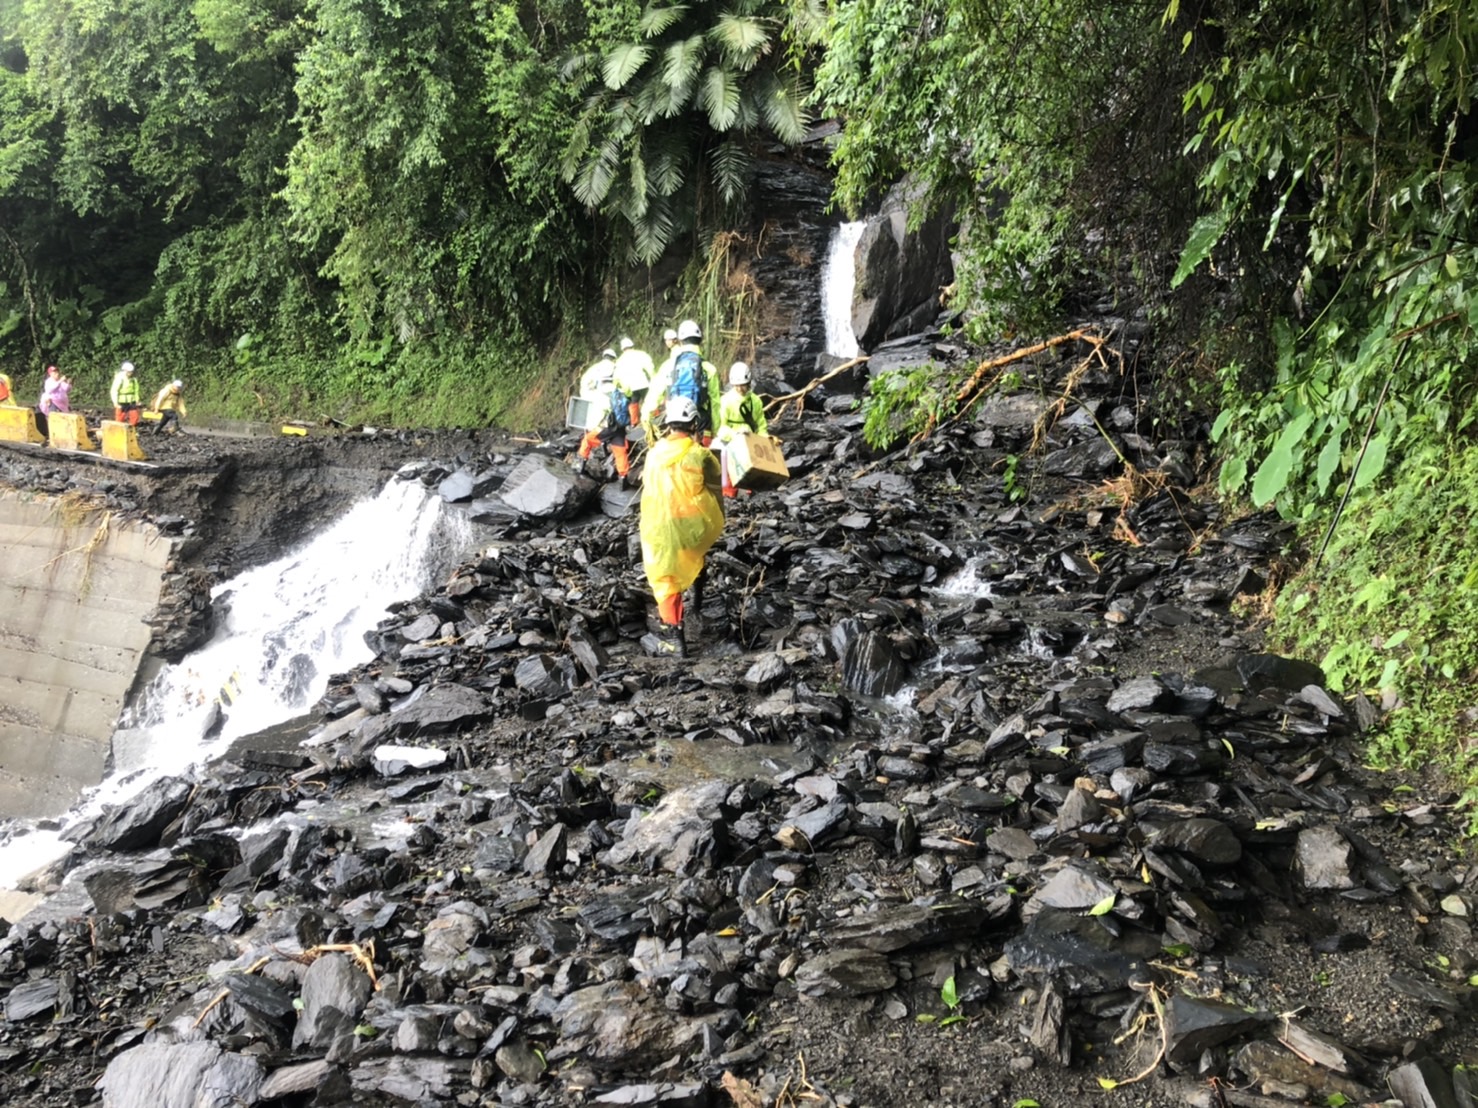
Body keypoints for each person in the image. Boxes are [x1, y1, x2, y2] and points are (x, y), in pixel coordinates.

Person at [639, 394, 725, 658]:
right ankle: (697, 603)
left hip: (661, 527)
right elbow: (716, 476)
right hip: (692, 525)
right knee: (696, 557)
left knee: (666, 581)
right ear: (693, 424)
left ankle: (678, 642)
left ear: (669, 423)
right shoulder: (699, 454)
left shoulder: (653, 454)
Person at [641, 319, 720, 445]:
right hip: (699, 421)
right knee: (700, 458)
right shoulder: (709, 368)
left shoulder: (669, 365)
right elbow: (715, 404)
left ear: (680, 341)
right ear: (700, 341)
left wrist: (646, 417)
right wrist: (716, 430)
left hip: (675, 420)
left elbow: (654, 394)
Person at [713, 361, 772, 497]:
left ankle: (751, 489)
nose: (740, 389)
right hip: (730, 439)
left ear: (748, 383)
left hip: (749, 438)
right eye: (737, 386)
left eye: (743, 385)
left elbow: (761, 425)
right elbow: (720, 426)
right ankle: (728, 491)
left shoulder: (755, 401)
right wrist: (734, 435)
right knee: (723, 454)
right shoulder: (726, 401)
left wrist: (764, 438)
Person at [573, 348, 631, 480]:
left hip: (607, 425)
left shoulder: (599, 392)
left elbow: (598, 413)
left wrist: (592, 426)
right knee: (619, 449)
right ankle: (624, 477)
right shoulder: (618, 390)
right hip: (620, 424)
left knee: (587, 441)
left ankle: (579, 465)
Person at [611, 336, 654, 431]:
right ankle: (655, 417)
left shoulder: (620, 360)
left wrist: (619, 387)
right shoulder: (640, 354)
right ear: (632, 346)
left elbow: (616, 378)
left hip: (630, 386)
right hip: (643, 382)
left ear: (622, 349)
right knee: (649, 400)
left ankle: (634, 423)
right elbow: (649, 367)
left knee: (634, 402)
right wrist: (653, 378)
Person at [110, 360, 142, 425]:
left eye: (131, 372)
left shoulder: (133, 379)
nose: (131, 373)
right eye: (129, 372)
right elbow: (114, 390)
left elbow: (136, 390)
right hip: (121, 401)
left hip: (131, 401)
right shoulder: (119, 378)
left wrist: (137, 400)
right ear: (125, 371)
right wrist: (115, 402)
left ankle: (131, 430)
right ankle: (118, 431)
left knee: (135, 416)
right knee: (120, 418)